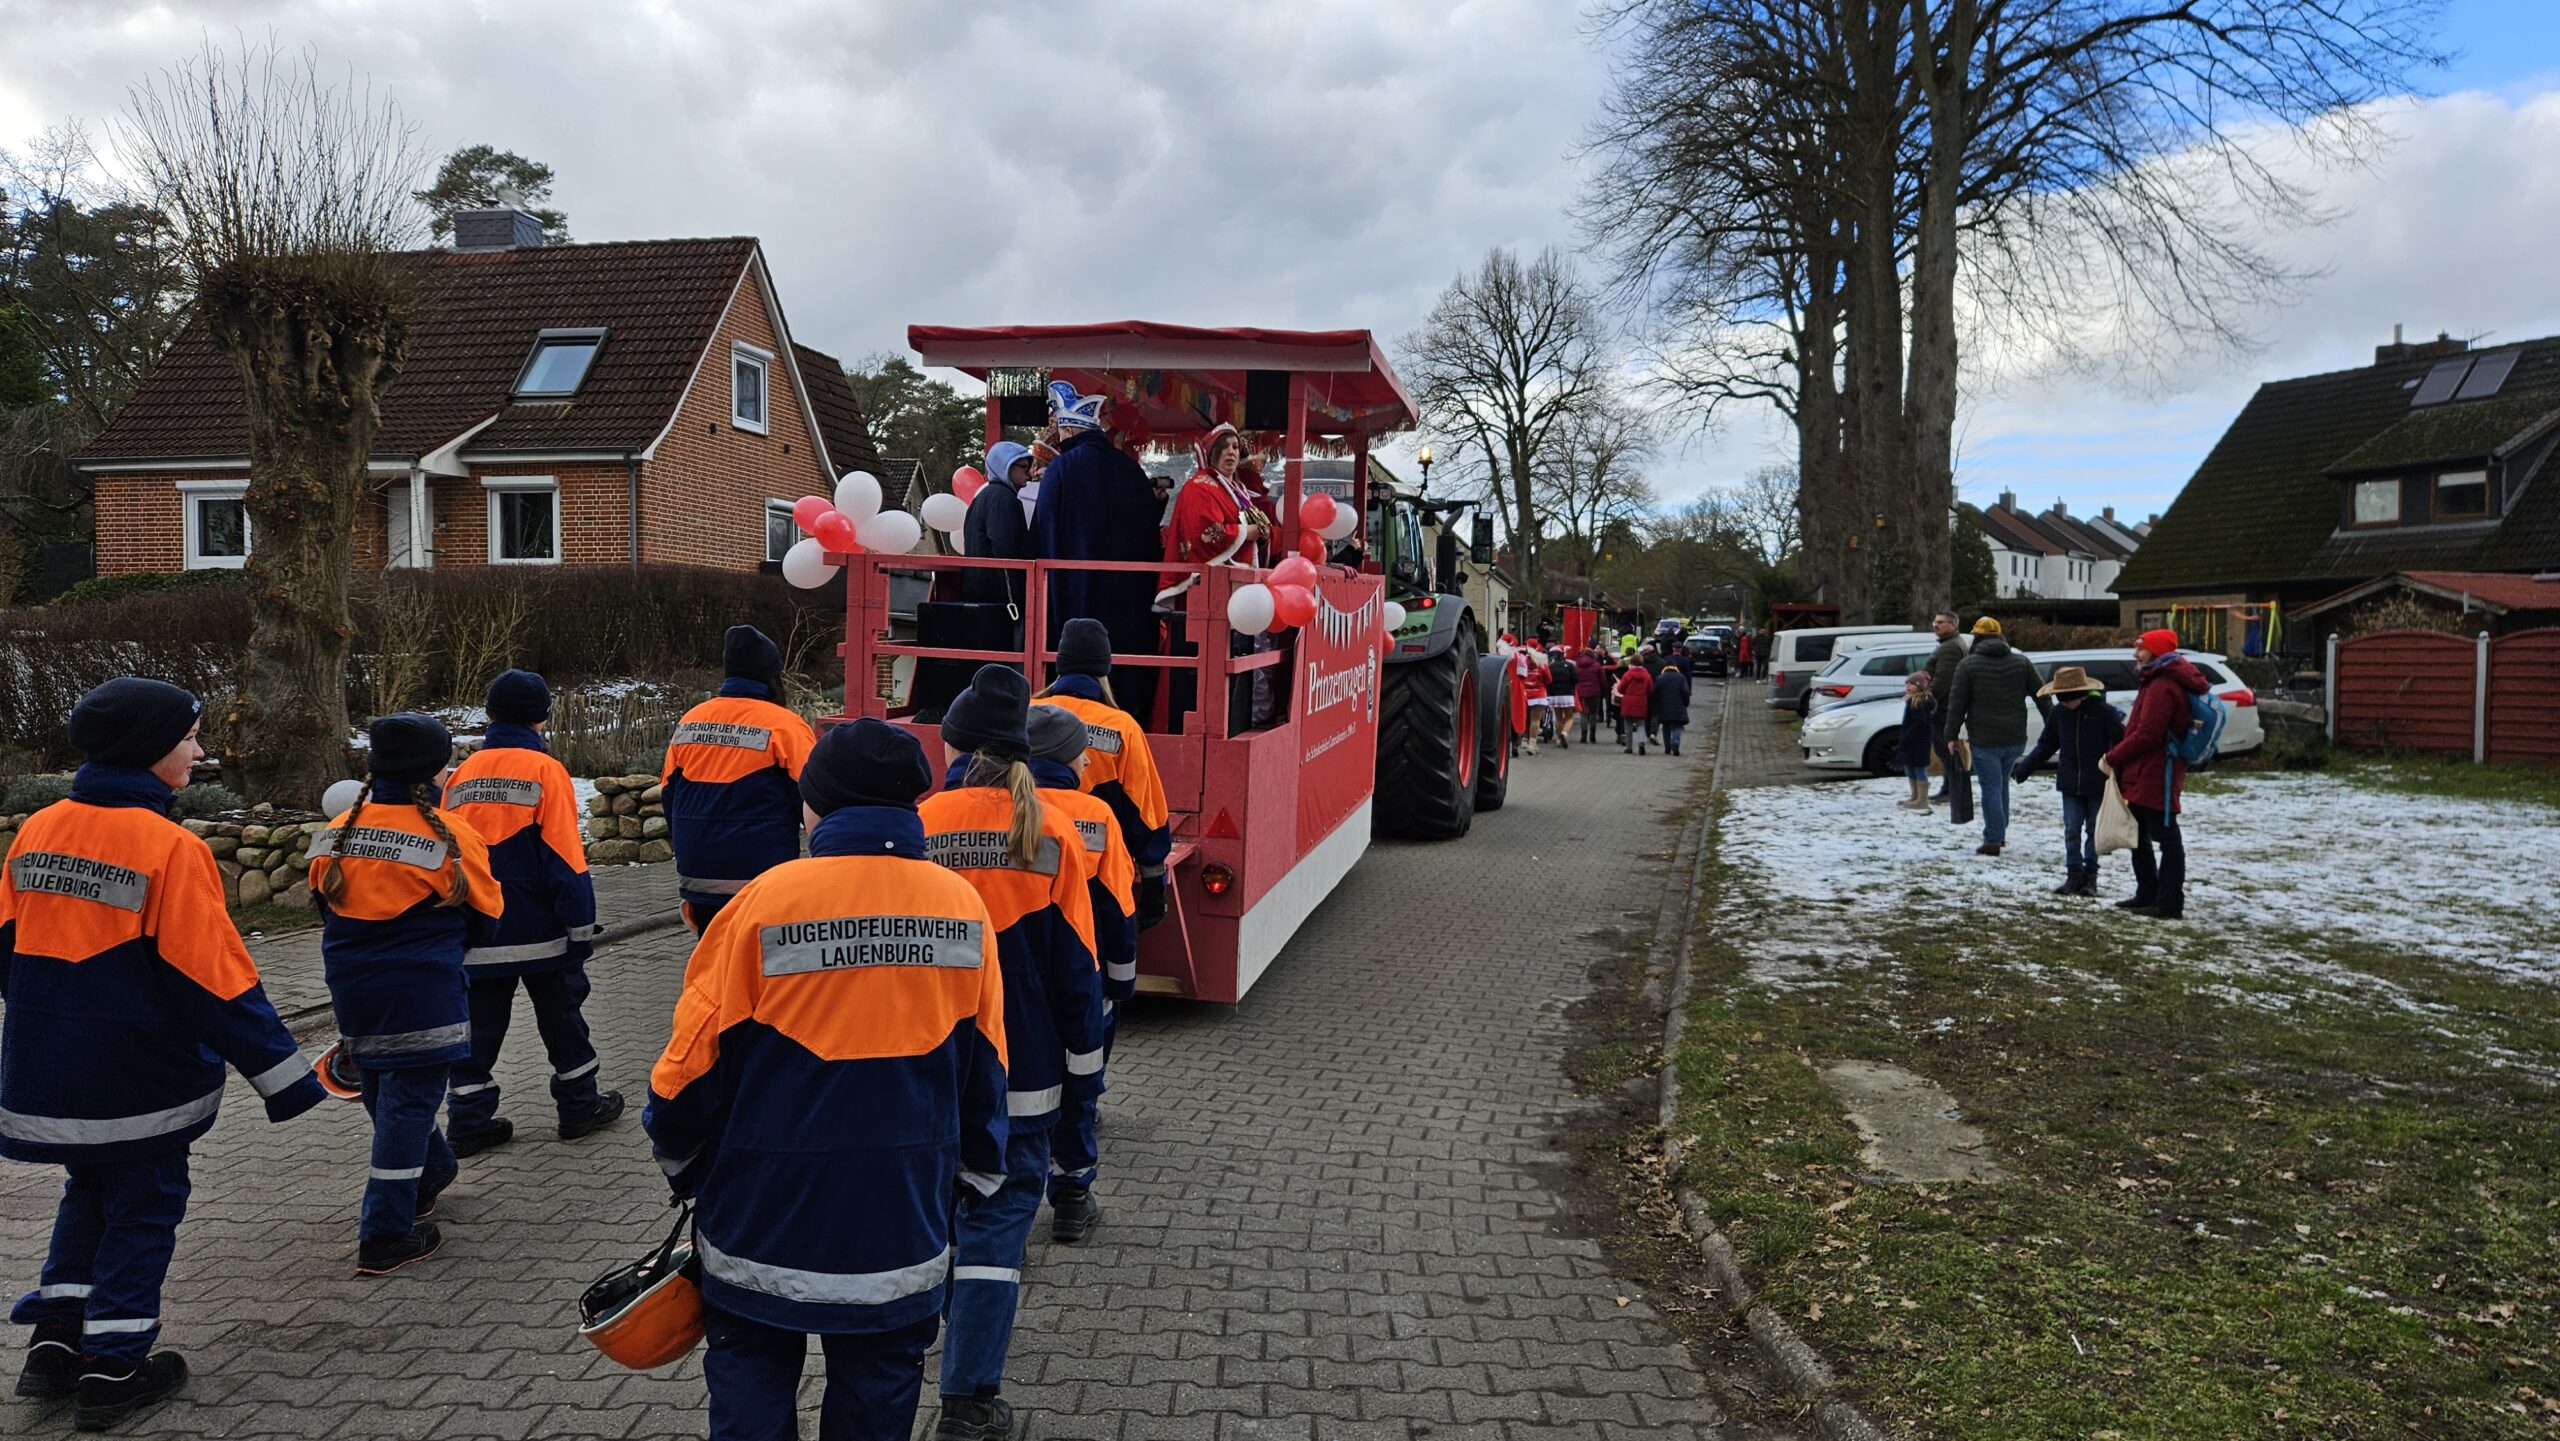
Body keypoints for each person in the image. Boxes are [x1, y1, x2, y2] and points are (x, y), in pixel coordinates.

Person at [645, 719, 1008, 1441]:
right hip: (900, 1221)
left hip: (760, 1218)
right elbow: (986, 1072)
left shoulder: (761, 903)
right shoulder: (964, 909)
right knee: (878, 1390)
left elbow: (685, 1077)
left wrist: (688, 1170)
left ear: (816, 807)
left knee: (750, 1375)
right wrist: (965, 1183)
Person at [3, 679, 324, 1429]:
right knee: (145, 1206)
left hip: (53, 1065)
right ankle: (116, 1366)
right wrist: (286, 1077)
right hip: (139, 1074)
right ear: (150, 749)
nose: (201, 750)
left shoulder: (39, 828)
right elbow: (213, 979)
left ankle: (56, 1339)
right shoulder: (170, 847)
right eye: (190, 738)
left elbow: (7, 948)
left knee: (88, 1190)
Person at [918, 666, 1106, 1441]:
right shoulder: (1054, 835)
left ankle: (911, 1349)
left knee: (938, 1217)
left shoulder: (918, 823)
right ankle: (967, 1399)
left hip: (928, 1069)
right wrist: (1083, 1081)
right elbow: (1078, 975)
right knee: (998, 1231)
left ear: (956, 743)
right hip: (1024, 1078)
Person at [310, 713, 504, 1276]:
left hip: (352, 986)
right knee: (409, 1108)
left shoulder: (338, 829)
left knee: (381, 1091)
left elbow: (325, 905)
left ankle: (433, 1171)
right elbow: (485, 919)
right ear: (437, 770)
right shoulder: (452, 835)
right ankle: (386, 1231)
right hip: (423, 987)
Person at [442, 670, 622, 1156]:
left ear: (491, 714)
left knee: (475, 1033)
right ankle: (579, 1106)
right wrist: (581, 930)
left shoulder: (463, 774)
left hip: (478, 930)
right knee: (563, 1022)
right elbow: (565, 859)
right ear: (542, 717)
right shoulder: (545, 772)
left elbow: (450, 854)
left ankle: (468, 1122)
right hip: (541, 930)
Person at [1026, 705, 1135, 1245]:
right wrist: (1121, 980)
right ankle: (1071, 1198)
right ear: (1072, 758)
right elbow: (1117, 905)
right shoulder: (1095, 815)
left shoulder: (999, 810)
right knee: (1079, 1081)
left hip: (1013, 973)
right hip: (1080, 970)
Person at [661, 627, 816, 936]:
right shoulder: (785, 727)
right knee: (761, 969)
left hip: (697, 875)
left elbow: (668, 794)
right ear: (773, 676)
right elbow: (814, 800)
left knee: (713, 963)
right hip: (761, 876)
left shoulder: (691, 720)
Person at [1026, 381, 1164, 726]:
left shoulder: (1063, 467)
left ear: (1068, 427)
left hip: (1077, 595)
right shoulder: (1132, 470)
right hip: (1131, 601)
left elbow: (1043, 535)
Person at [1036, 619, 1171, 931]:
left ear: (1060, 663)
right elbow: (1146, 812)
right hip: (1098, 874)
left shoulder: (1028, 713)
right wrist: (1153, 885)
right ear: (1104, 669)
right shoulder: (1123, 727)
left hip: (1028, 864)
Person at [2102, 629, 2209, 919]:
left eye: (2142, 649)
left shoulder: (2163, 685)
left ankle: (2168, 901)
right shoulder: (2155, 679)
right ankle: (2147, 893)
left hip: (2156, 772)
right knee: (2139, 835)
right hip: (2144, 769)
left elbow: (2149, 733)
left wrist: (2114, 756)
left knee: (2165, 836)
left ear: (2157, 651)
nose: (2136, 654)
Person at [2013, 665, 2126, 896]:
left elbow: (2123, 743)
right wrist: (2025, 768)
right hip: (2069, 782)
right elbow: (2047, 745)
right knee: (2072, 830)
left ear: (2081, 694)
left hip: (2098, 782)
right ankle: (2073, 875)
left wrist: (2120, 773)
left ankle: (2090, 877)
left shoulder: (2104, 712)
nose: (2064, 703)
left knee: (2093, 831)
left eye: (2067, 698)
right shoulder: (2059, 714)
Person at [1942, 618, 2050, 857]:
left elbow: (1956, 704)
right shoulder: (2021, 662)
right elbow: (2042, 695)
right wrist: (2052, 724)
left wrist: (1950, 734)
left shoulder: (1968, 665)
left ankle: (1992, 838)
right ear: (2001, 636)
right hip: (2014, 737)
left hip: (1984, 737)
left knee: (1991, 786)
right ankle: (1999, 833)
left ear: (1976, 638)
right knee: (2000, 784)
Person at [962, 441, 1036, 611]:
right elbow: (1004, 549)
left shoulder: (984, 496)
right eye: (1024, 467)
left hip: (981, 591)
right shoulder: (1003, 499)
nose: (1029, 474)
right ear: (1006, 466)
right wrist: (1016, 596)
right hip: (999, 597)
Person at [1923, 612, 1967, 804]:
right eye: (1935, 622)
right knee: (1946, 750)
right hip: (1945, 705)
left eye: (1940, 622)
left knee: (1946, 750)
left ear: (1953, 625)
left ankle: (1951, 790)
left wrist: (1929, 700)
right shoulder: (1950, 644)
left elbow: (1944, 679)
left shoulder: (1950, 647)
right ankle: (1949, 788)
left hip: (1943, 707)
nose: (1935, 625)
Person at [1895, 673, 1936, 810]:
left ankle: (1922, 800)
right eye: (1907, 683)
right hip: (1913, 741)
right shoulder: (1912, 700)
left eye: (1911, 684)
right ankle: (1915, 796)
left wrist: (1907, 737)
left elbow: (1919, 724)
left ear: (1919, 687)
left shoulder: (1920, 702)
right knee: (1910, 767)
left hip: (1918, 743)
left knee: (1919, 769)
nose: (1908, 686)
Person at [1653, 652, 1693, 758]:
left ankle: (1667, 748)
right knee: (1677, 726)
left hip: (1664, 707)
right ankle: (1675, 743)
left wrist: (1657, 705)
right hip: (1678, 706)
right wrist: (1685, 703)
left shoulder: (1659, 678)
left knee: (1666, 727)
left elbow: (1655, 693)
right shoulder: (1681, 677)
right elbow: (1685, 691)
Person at [1507, 643, 1544, 757]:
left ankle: (1522, 740)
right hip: (1533, 693)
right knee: (1535, 720)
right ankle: (1531, 744)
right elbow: (1547, 678)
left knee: (1521, 718)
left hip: (1512, 692)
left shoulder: (1503, 658)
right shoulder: (1538, 662)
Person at [1614, 656, 1655, 755]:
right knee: (1640, 724)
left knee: (1628, 725)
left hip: (1628, 702)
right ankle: (1641, 743)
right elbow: (1650, 690)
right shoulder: (1647, 675)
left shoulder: (1628, 675)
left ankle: (1629, 747)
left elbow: (1620, 689)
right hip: (1641, 702)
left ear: (1631, 663)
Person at [1571, 648, 1605, 745]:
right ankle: (1592, 735)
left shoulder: (1577, 665)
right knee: (1594, 714)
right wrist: (1603, 691)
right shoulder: (1597, 666)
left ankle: (1583, 735)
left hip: (1581, 693)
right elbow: (1602, 681)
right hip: (1595, 693)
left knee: (1583, 714)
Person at [1546, 649, 1577, 749]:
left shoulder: (1550, 666)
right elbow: (1576, 679)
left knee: (1558, 718)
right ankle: (1564, 732)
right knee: (1569, 717)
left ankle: (1559, 739)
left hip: (1554, 695)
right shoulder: (1569, 666)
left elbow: (1547, 679)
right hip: (1567, 694)